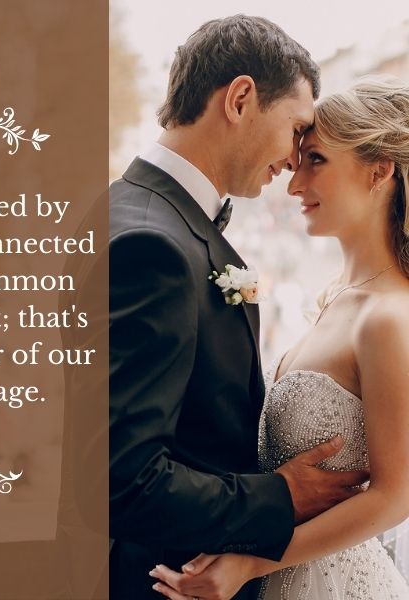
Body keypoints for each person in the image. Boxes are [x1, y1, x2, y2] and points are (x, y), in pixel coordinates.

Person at [108, 15, 369, 600]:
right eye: (298, 128)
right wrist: (278, 495)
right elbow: (120, 478)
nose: (297, 156)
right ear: (242, 98)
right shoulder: (155, 245)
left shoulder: (132, 211)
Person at [150, 76, 409, 599]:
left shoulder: (388, 317)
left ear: (379, 170)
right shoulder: (337, 297)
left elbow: (394, 496)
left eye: (316, 161)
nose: (293, 185)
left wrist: (249, 563)